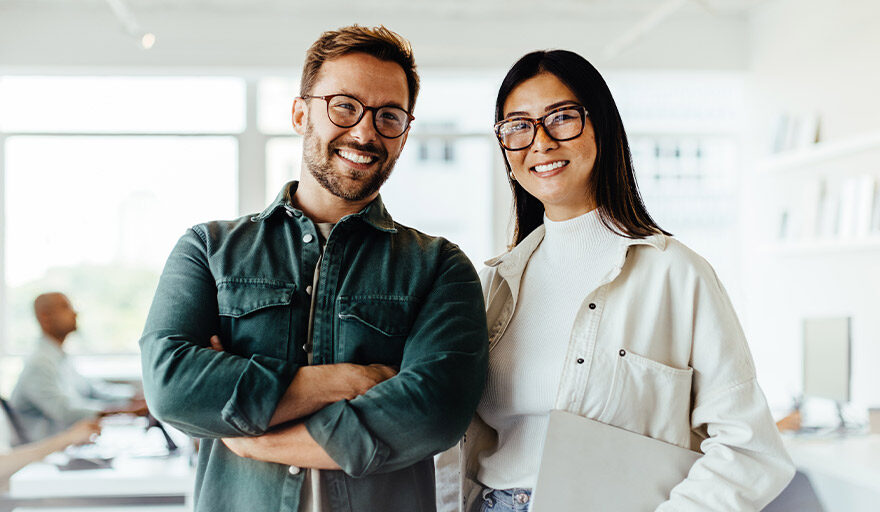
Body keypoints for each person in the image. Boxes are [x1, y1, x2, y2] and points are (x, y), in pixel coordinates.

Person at [139, 25, 488, 512]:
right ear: (301, 113)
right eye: (344, 106)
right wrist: (345, 381)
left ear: (405, 134)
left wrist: (253, 435)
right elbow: (171, 385)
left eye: (388, 116)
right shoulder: (208, 249)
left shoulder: (439, 267)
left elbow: (433, 412)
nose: (365, 132)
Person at [440, 50, 795, 512]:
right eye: (518, 126)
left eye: (562, 118)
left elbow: (750, 450)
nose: (540, 142)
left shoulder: (677, 274)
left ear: (602, 127)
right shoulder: (492, 284)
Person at [10, 292, 147, 444]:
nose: (75, 313)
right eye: (65, 307)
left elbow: (93, 390)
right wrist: (124, 411)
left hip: (66, 448)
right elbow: (65, 410)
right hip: (43, 458)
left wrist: (134, 397)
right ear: (45, 317)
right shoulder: (39, 363)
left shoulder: (60, 357)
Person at [0, 400, 100, 490]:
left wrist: (68, 441)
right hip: (12, 492)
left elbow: (13, 448)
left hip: (20, 480)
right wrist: (66, 439)